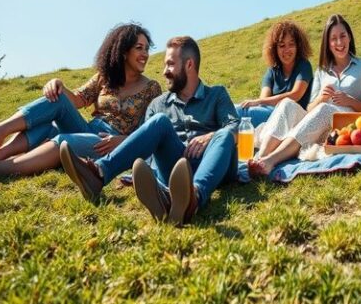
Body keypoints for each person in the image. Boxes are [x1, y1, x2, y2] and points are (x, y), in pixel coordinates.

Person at [60, 36, 239, 226]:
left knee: (225, 134)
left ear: (189, 65)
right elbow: (148, 151)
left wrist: (210, 136)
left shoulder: (216, 94)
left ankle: (193, 198)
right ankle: (99, 173)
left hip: (216, 166)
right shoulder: (158, 104)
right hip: (176, 168)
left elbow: (236, 128)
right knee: (159, 121)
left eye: (170, 64)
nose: (164, 72)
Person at [0, 23, 161, 180]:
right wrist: (58, 84)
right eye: (139, 48)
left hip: (110, 144)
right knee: (56, 102)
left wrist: (122, 141)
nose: (145, 54)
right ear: (124, 51)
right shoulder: (105, 77)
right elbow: (77, 100)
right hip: (87, 129)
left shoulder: (151, 88)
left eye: (146, 49)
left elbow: (148, 132)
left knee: (62, 141)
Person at [248, 14, 361, 175]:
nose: (339, 42)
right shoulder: (322, 71)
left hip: (348, 126)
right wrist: (320, 98)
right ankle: (260, 157)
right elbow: (310, 109)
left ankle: (271, 160)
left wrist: (350, 101)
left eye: (343, 36)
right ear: (328, 44)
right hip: (320, 128)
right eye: (333, 39)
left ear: (349, 37)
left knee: (325, 108)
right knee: (287, 104)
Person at [235, 20, 313, 129]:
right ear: (274, 49)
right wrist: (257, 102)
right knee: (235, 109)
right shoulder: (272, 70)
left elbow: (295, 95)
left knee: (240, 113)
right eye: (282, 45)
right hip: (272, 115)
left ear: (298, 47)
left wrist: (257, 101)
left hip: (294, 118)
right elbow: (263, 100)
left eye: (291, 44)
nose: (286, 50)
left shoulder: (304, 66)